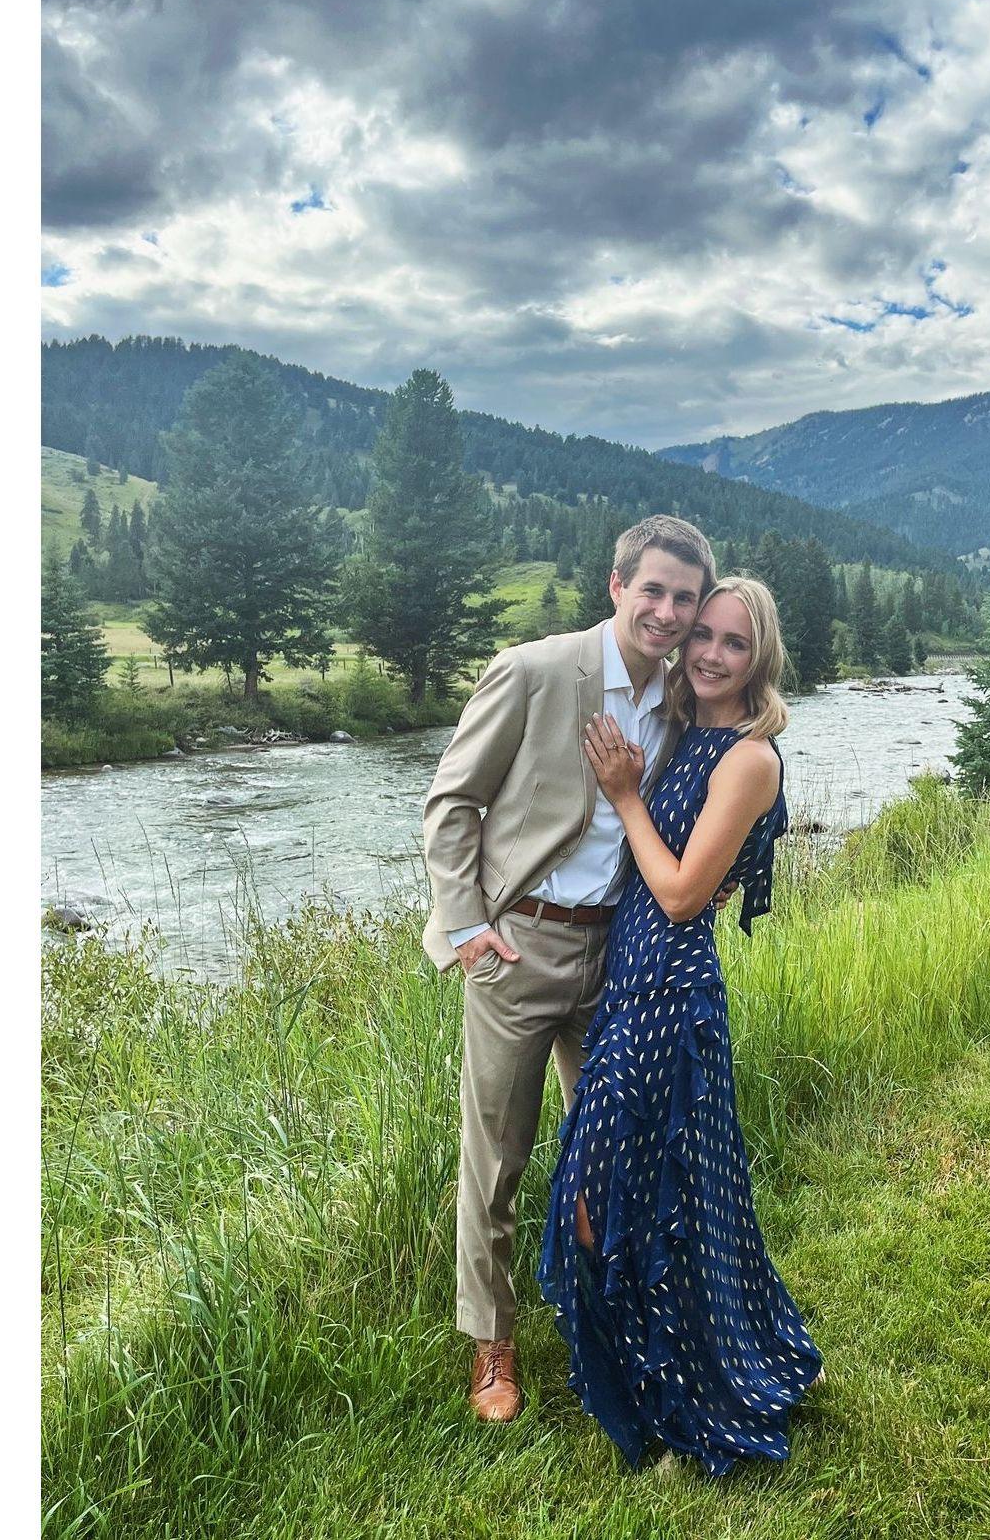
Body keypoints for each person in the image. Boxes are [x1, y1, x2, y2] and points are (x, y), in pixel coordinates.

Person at [421, 515, 718, 1423]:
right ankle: (493, 1344)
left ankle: (613, 1316)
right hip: (519, 948)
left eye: (684, 598)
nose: (666, 612)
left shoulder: (680, 699)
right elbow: (452, 802)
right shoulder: (536, 670)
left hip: (616, 951)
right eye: (652, 589)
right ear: (617, 585)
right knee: (497, 1157)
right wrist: (466, 926)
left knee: (617, 1150)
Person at [537, 577, 824, 1477]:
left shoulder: (749, 756)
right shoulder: (678, 733)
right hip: (629, 986)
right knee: (657, 1200)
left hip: (669, 997)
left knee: (615, 1204)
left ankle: (682, 1396)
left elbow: (679, 893)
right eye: (702, 634)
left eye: (734, 642)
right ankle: (675, 1372)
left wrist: (625, 794)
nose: (710, 653)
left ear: (759, 657)